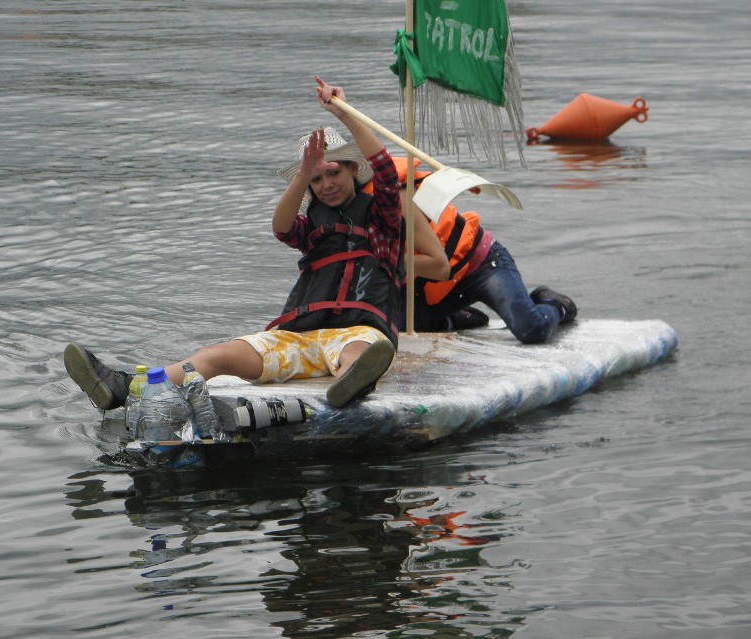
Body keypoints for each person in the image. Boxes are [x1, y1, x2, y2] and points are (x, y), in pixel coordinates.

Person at [64, 78, 406, 414]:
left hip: (358, 332)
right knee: (218, 355)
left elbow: (387, 174)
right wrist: (302, 175)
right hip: (299, 337)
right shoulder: (310, 228)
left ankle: (349, 385)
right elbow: (281, 228)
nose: (327, 184)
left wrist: (344, 114)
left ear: (352, 171)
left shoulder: (381, 221)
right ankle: (124, 389)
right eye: (317, 179)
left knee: (359, 353)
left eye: (334, 173)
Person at [368, 157, 577, 341]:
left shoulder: (394, 195)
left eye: (336, 173)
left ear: (353, 170)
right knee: (390, 325)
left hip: (480, 264)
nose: (332, 185)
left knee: (532, 328)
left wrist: (378, 260)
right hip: (428, 286)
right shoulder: (341, 212)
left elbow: (439, 266)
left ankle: (557, 303)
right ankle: (453, 318)